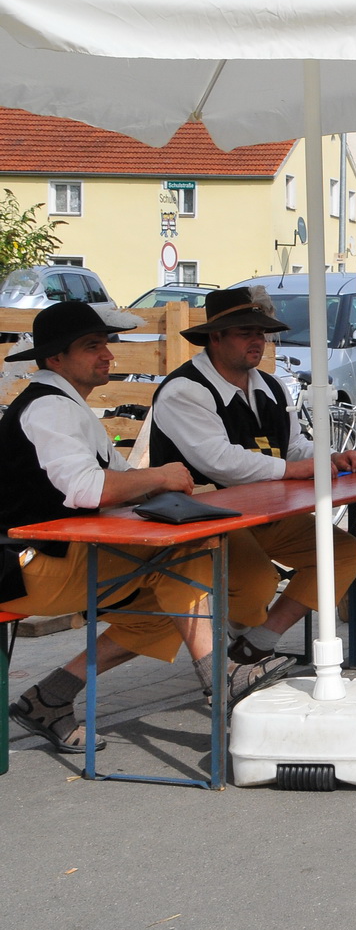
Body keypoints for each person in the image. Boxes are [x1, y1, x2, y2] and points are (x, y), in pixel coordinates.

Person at [2, 302, 221, 752]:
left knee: (167, 607)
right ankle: (223, 682)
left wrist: (178, 489)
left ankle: (50, 697)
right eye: (91, 346)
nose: (107, 355)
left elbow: (119, 479)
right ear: (55, 359)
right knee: (187, 556)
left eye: (105, 344)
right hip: (25, 569)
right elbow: (87, 489)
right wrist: (160, 477)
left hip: (46, 561)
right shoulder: (49, 408)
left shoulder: (65, 405)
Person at [149, 286, 356, 685]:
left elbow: (295, 446)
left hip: (265, 512)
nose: (257, 341)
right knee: (254, 586)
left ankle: (254, 646)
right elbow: (220, 462)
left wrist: (328, 457)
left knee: (344, 553)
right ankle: (238, 657)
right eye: (245, 332)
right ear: (214, 337)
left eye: (261, 332)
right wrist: (293, 470)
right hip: (207, 519)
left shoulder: (269, 386)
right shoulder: (184, 391)